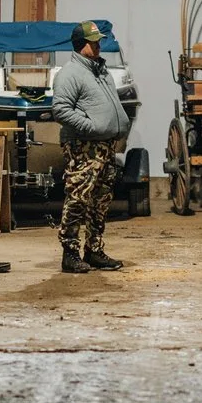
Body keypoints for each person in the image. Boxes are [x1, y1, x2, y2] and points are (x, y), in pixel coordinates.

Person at [49, 21, 132, 273]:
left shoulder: (100, 71)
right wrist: (90, 127)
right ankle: (70, 253)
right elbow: (60, 109)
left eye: (98, 41)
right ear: (81, 45)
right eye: (93, 41)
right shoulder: (70, 73)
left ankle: (94, 250)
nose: (98, 45)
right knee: (79, 197)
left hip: (105, 146)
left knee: (100, 199)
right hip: (84, 146)